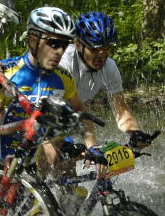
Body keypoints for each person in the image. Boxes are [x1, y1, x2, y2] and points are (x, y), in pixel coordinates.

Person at [0, 6, 96, 178]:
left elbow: (80, 112)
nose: (59, 52)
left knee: (64, 158)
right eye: (53, 43)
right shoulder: (6, 71)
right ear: (33, 40)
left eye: (64, 45)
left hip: (29, 162)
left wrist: (92, 147)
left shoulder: (64, 77)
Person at [59, 12, 154, 149]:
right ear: (78, 44)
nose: (101, 56)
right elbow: (75, 111)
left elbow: (121, 110)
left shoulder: (109, 67)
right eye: (95, 49)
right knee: (65, 159)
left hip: (71, 115)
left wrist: (135, 133)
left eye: (106, 49)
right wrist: (92, 146)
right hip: (41, 112)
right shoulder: (64, 63)